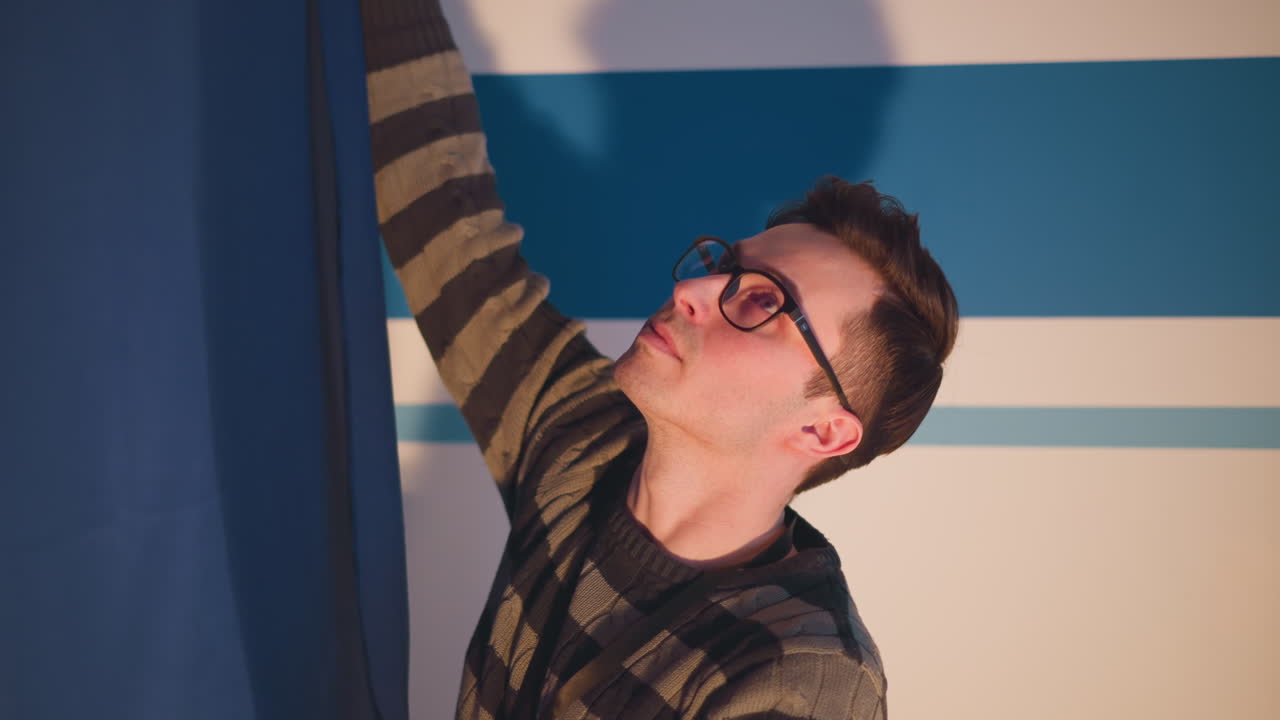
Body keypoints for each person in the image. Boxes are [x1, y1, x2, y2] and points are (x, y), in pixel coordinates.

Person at [361, 0, 958, 717]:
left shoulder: (800, 677)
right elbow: (441, 214)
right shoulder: (578, 440)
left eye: (762, 302)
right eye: (723, 266)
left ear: (823, 430)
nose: (691, 289)